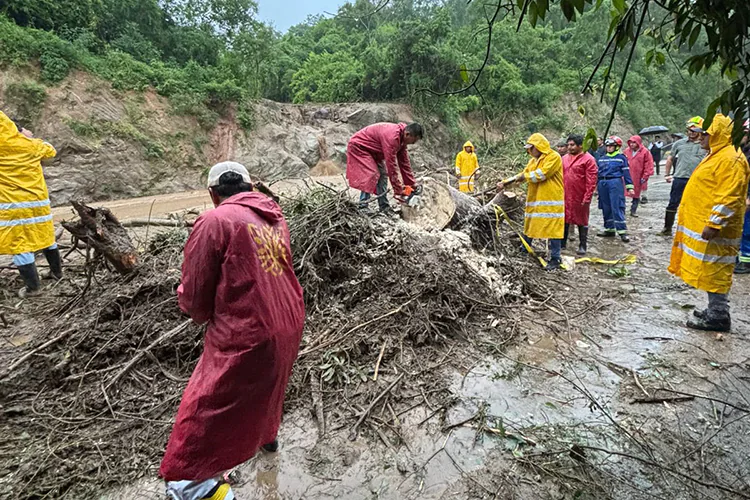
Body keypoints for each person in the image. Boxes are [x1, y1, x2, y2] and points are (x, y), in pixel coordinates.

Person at [160, 162, 306, 500]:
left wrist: (194, 309)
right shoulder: (274, 216)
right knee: (267, 387)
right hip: (288, 318)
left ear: (213, 194)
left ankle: (192, 485)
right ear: (250, 186)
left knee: (206, 406)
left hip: (248, 330)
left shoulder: (214, 220)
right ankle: (267, 439)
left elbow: (195, 294)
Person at [668, 115, 750, 332]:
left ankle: (719, 316)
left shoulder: (730, 159)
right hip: (706, 225)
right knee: (709, 269)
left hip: (717, 231)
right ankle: (714, 308)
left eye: (705, 133)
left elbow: (729, 195)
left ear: (718, 134)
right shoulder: (717, 155)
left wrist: (714, 223)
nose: (701, 137)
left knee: (716, 270)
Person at [0, 111, 62, 298]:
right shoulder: (31, 145)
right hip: (39, 203)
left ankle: (33, 288)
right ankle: (57, 273)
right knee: (47, 236)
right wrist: (26, 137)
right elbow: (51, 150)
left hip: (13, 206)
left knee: (20, 244)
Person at [497, 133, 565, 270]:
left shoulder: (553, 157)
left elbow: (542, 174)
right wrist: (505, 182)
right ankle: (525, 248)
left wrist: (524, 177)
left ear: (539, 147)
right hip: (535, 199)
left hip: (551, 199)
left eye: (531, 148)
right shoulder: (533, 161)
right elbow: (522, 174)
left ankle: (556, 258)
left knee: (553, 229)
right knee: (530, 224)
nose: (529, 151)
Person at [346, 122, 423, 214]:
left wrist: (412, 183)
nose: (414, 143)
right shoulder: (392, 138)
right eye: (414, 140)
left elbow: (404, 163)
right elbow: (391, 166)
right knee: (372, 173)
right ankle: (362, 206)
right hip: (359, 146)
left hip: (372, 150)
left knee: (383, 174)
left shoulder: (402, 139)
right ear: (407, 134)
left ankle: (384, 206)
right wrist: (398, 190)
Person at [660, 117, 707, 235]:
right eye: (689, 131)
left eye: (694, 131)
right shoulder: (679, 144)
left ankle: (693, 229)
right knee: (673, 203)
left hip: (697, 180)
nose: (691, 133)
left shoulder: (705, 144)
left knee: (696, 204)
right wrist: (667, 174)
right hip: (680, 178)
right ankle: (667, 228)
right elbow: (670, 159)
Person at [562, 134, 598, 255]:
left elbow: (591, 180)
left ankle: (583, 244)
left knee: (582, 219)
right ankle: (563, 243)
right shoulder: (564, 158)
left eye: (572, 145)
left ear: (580, 145)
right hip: (566, 193)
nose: (569, 147)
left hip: (580, 194)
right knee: (565, 218)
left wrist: (587, 196)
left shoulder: (588, 159)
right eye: (568, 145)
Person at [597, 137, 635, 242]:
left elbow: (626, 173)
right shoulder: (601, 158)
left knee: (617, 206)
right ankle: (609, 229)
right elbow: (597, 172)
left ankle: (622, 231)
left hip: (615, 182)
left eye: (611, 146)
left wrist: (630, 186)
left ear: (617, 147)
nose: (609, 148)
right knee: (605, 206)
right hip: (602, 183)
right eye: (607, 146)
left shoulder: (621, 158)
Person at [625, 135, 654, 217]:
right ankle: (621, 209)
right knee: (623, 193)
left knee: (636, 194)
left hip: (638, 176)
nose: (632, 144)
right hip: (627, 175)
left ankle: (633, 210)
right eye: (631, 142)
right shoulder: (627, 151)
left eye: (634, 142)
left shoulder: (645, 152)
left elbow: (649, 164)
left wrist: (645, 175)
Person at [736, 121, 750, 274]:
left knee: (747, 230)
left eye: (745, 133)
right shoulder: (742, 151)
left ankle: (746, 262)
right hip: (743, 194)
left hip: (748, 196)